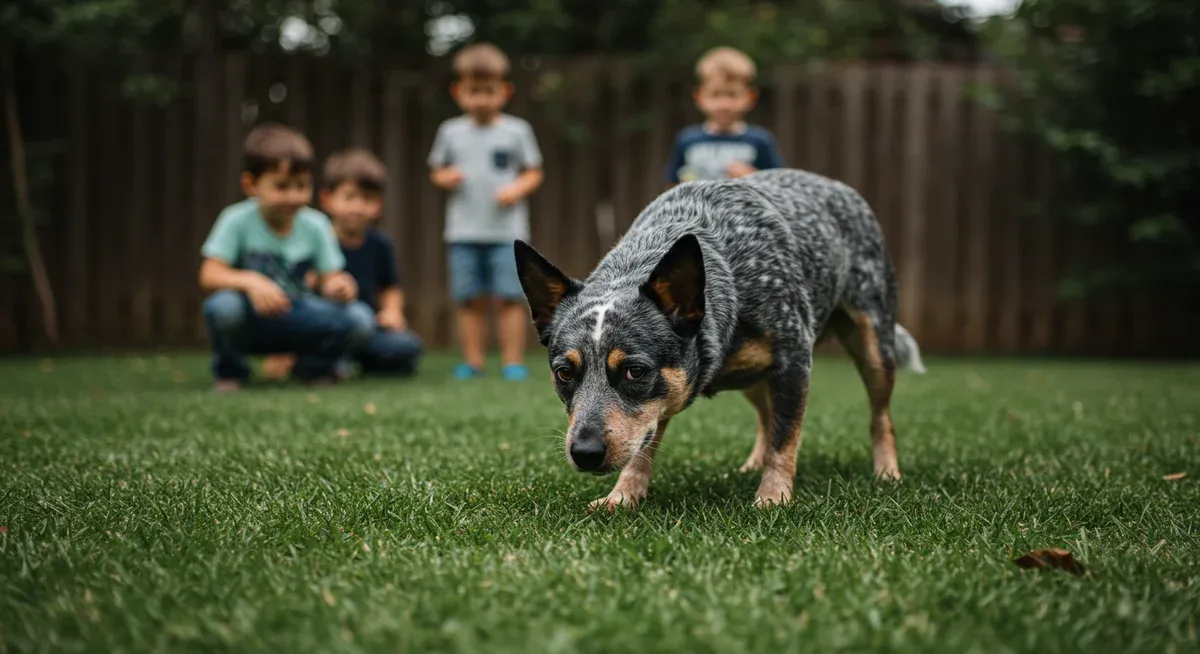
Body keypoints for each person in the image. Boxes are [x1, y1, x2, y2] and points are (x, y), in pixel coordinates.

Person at [199, 123, 368, 391]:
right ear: (250, 184)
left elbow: (328, 277)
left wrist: (339, 285)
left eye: (302, 186)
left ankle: (312, 368)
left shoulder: (316, 225)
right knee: (223, 307)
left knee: (359, 318)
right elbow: (209, 273)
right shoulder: (236, 220)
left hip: (298, 314)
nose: (294, 196)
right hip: (251, 318)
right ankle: (232, 372)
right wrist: (252, 282)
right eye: (282, 186)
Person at [428, 42, 544, 381]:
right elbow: (436, 169)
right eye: (473, 91)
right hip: (463, 231)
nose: (481, 99)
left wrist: (517, 189)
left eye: (489, 91)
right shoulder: (450, 132)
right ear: (458, 92)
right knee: (469, 300)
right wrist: (444, 177)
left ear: (504, 91)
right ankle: (473, 361)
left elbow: (534, 171)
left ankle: (512, 362)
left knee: (509, 299)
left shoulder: (517, 131)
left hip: (507, 233)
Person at [321, 147, 423, 376]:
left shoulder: (379, 244)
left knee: (407, 346)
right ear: (328, 199)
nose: (357, 208)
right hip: (325, 328)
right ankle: (330, 360)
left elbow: (390, 287)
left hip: (368, 329)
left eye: (367, 200)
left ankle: (348, 361)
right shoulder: (317, 240)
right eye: (349, 197)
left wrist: (392, 312)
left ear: (378, 205)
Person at [665, 46, 785, 186]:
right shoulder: (687, 140)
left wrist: (754, 178)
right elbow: (671, 185)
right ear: (699, 97)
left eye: (732, 94)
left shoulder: (760, 140)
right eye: (715, 95)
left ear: (751, 97)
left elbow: (778, 189)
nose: (724, 104)